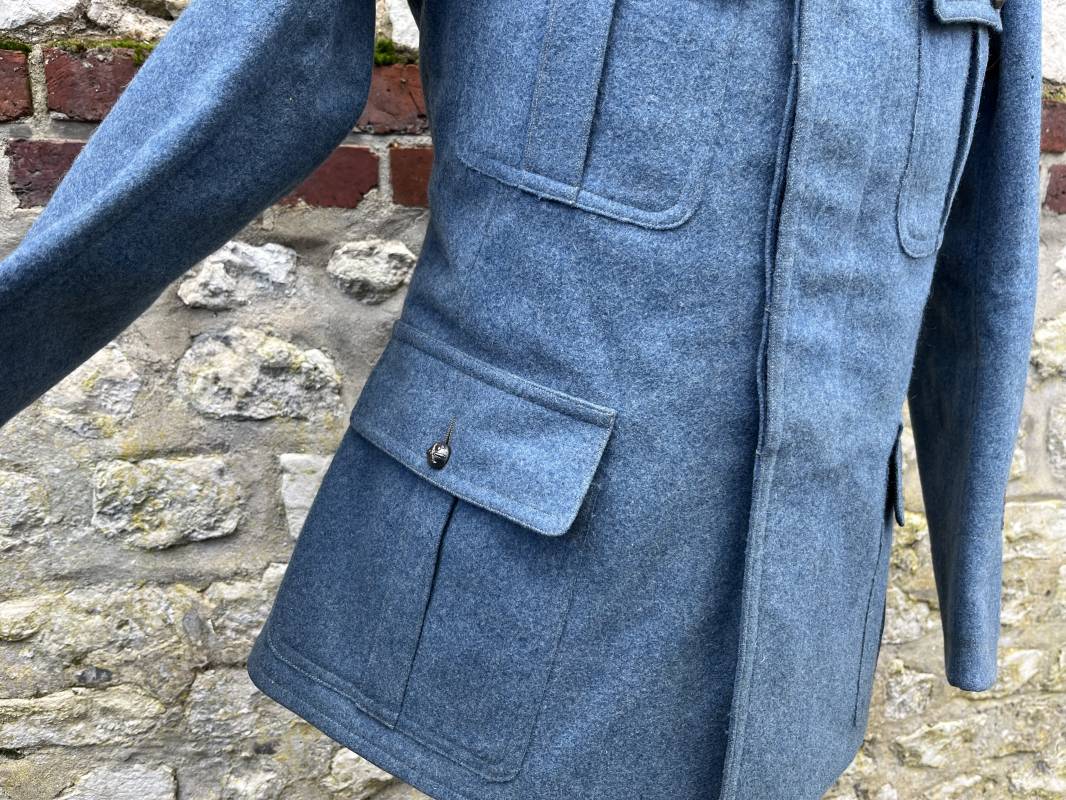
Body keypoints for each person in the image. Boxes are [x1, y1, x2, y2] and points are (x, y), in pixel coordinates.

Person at [0, 0, 1042, 798]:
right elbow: (254, 62)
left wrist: (971, 598)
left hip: (804, 625)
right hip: (514, 581)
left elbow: (984, 252)